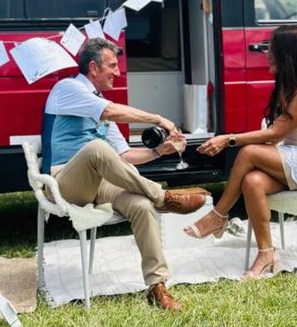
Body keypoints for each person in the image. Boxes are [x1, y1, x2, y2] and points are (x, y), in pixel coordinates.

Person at [43, 38, 206, 310]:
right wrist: (157, 118)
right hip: (63, 182)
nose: (117, 72)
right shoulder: (66, 88)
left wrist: (159, 152)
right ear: (93, 68)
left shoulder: (104, 105)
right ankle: (162, 195)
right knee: (96, 148)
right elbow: (108, 115)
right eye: (112, 66)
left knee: (141, 205)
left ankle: (157, 286)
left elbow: (124, 157)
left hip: (100, 183)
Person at [183, 25, 297, 279]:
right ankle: (266, 253)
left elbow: (276, 133)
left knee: (248, 153)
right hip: (295, 156)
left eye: (271, 50)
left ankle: (218, 215)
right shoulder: (291, 82)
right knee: (252, 181)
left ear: (286, 54)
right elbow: (277, 134)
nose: (266, 55)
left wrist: (227, 139)